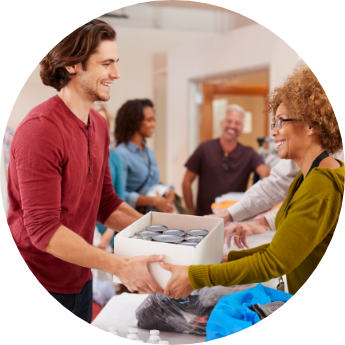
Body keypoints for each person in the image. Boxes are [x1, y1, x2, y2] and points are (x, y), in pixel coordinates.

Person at [6, 19, 164, 324]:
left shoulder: (99, 124)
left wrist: (163, 232)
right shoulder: (41, 130)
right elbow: (43, 231)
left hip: (80, 277)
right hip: (43, 279)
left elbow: (106, 202)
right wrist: (119, 265)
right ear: (72, 66)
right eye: (106, 64)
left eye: (116, 63)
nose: (116, 74)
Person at [160, 65, 344, 298]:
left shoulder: (321, 185)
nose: (274, 132)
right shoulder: (304, 178)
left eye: (281, 121)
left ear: (310, 125)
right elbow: (285, 249)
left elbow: (273, 262)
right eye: (273, 124)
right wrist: (226, 259)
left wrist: (196, 276)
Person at [182, 104, 271, 216]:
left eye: (237, 123)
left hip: (235, 219)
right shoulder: (204, 149)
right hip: (204, 218)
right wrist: (191, 213)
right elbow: (186, 182)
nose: (232, 126)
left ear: (242, 128)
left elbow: (265, 172)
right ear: (222, 123)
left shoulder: (249, 153)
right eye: (229, 121)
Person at [114, 99, 175, 214]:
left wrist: (168, 192)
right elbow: (118, 195)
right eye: (149, 120)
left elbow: (153, 185)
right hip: (135, 217)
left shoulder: (149, 152)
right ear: (135, 121)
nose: (154, 124)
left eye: (154, 120)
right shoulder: (121, 154)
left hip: (155, 215)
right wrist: (152, 201)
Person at [92, 101, 124, 250]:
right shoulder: (76, 155)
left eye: (102, 122)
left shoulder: (115, 158)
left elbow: (119, 200)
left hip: (107, 232)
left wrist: (108, 235)